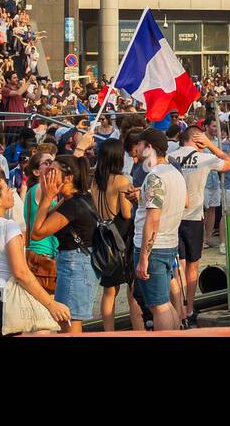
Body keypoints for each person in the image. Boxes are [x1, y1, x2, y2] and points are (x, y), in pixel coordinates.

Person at [0, 174, 69, 336]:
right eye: (6, 189)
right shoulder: (7, 227)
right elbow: (21, 273)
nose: (11, 191)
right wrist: (51, 304)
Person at [167, 127, 230, 327]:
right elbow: (229, 164)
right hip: (194, 218)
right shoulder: (204, 157)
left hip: (173, 217)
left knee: (178, 267)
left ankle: (177, 311)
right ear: (197, 139)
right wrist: (211, 145)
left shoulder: (170, 157)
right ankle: (189, 309)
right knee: (193, 266)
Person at [29, 154, 99, 334]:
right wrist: (48, 195)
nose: (47, 174)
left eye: (52, 171)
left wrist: (46, 197)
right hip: (75, 262)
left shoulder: (73, 205)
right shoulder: (75, 198)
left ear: (68, 178)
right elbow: (43, 220)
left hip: (76, 265)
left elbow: (37, 233)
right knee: (66, 321)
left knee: (68, 322)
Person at [130, 127, 187, 331]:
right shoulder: (174, 172)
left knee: (158, 306)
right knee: (164, 303)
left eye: (139, 144)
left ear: (149, 148)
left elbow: (153, 219)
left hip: (154, 247)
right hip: (168, 243)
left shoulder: (155, 176)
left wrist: (144, 257)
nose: (136, 148)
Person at [91, 137, 135, 331]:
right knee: (131, 290)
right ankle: (138, 328)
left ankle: (108, 332)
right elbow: (126, 213)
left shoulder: (94, 179)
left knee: (109, 291)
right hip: (119, 238)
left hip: (101, 235)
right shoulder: (121, 180)